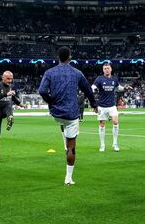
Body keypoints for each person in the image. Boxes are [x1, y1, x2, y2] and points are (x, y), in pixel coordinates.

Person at [38, 46, 98, 185]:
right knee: (72, 146)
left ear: (58, 58)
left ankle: (64, 134)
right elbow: (88, 90)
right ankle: (68, 178)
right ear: (70, 57)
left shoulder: (49, 72)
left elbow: (42, 90)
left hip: (56, 112)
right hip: (71, 114)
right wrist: (94, 105)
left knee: (62, 122)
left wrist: (50, 101)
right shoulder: (77, 73)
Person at [0, 70, 21, 163]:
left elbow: (12, 98)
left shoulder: (10, 86)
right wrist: (6, 94)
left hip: (5, 109)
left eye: (11, 79)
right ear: (3, 77)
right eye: (8, 79)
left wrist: (20, 103)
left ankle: (10, 118)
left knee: (9, 105)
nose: (10, 81)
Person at [93, 63, 122, 152]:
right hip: (102, 105)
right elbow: (93, 87)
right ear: (103, 70)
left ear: (111, 69)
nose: (106, 70)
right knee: (102, 124)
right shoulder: (99, 79)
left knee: (115, 121)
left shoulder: (114, 79)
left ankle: (115, 144)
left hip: (112, 105)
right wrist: (92, 88)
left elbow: (118, 88)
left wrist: (125, 87)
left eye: (108, 68)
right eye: (105, 68)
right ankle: (102, 145)